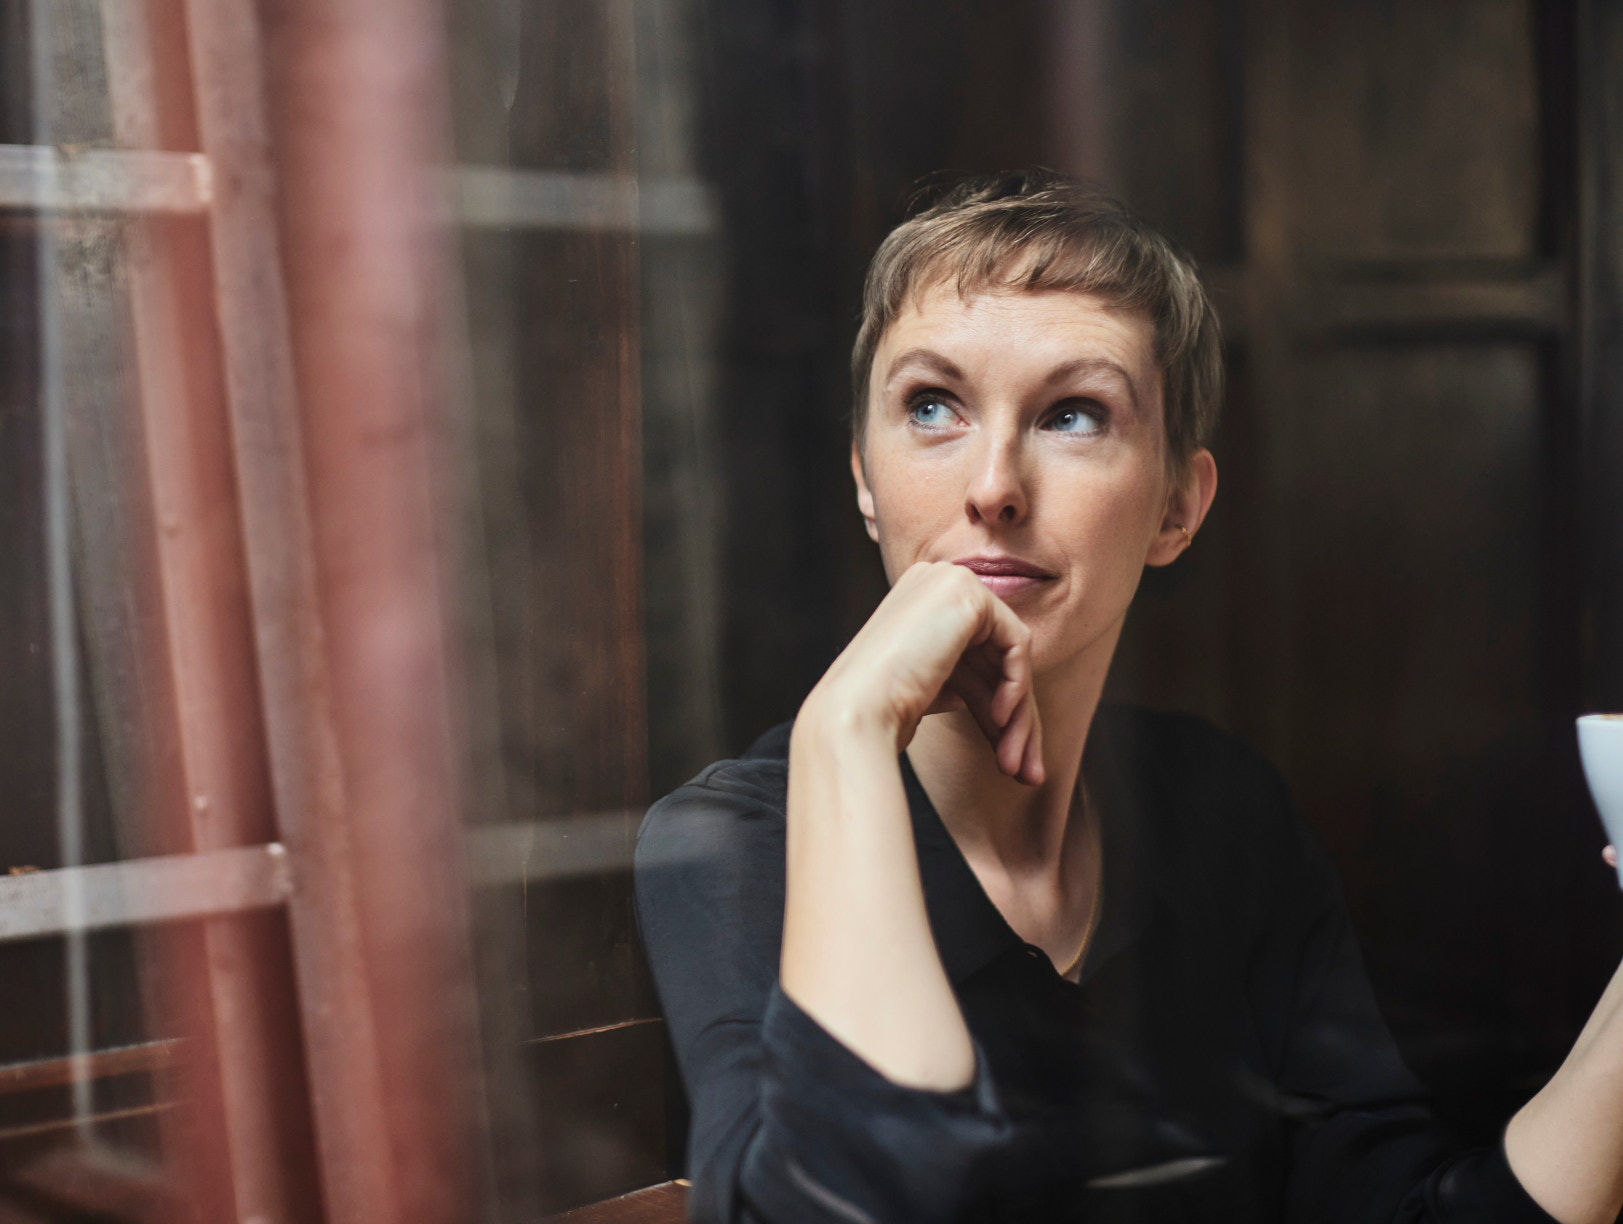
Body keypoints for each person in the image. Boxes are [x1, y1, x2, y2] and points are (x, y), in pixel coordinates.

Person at [634, 171, 1623, 1223]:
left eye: (1072, 414)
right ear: (863, 480)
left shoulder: (1219, 813)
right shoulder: (733, 845)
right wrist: (846, 730)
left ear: (1176, 507)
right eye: (931, 407)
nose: (992, 485)